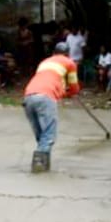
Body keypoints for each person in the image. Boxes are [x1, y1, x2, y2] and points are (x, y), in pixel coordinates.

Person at [22, 41, 80, 173]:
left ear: (54, 53)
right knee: (48, 135)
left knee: (41, 136)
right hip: (46, 97)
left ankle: (43, 164)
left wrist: (62, 91)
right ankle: (39, 166)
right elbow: (74, 87)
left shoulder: (44, 63)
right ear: (67, 54)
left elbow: (50, 80)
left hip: (28, 96)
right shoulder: (69, 62)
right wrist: (70, 93)